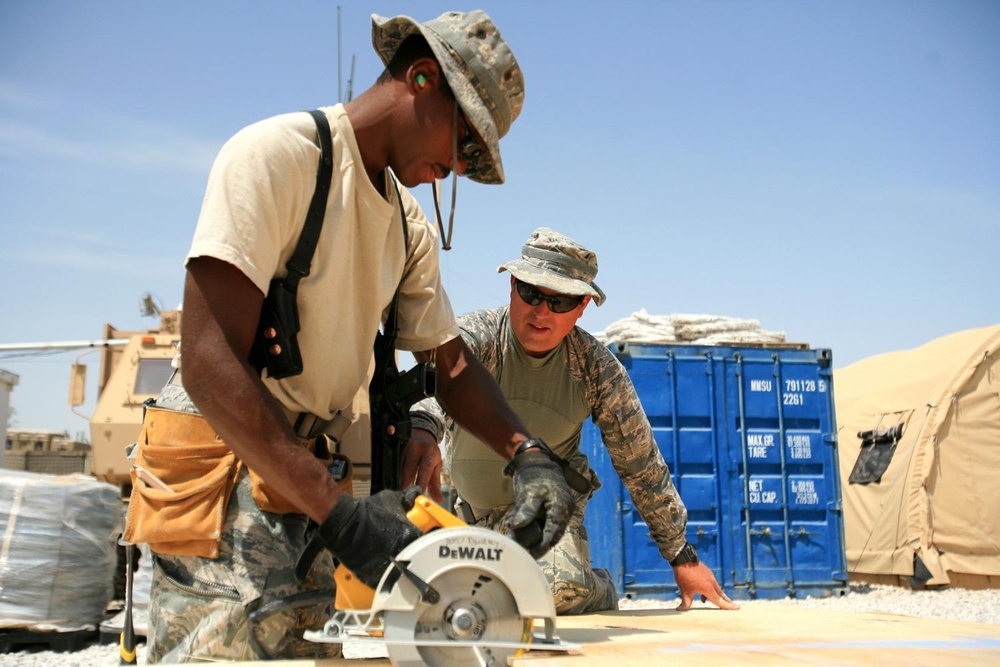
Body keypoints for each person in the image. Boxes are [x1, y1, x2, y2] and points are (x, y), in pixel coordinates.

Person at [126, 11, 575, 663]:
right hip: (224, 462)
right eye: (464, 141)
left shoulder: (406, 224)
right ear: (422, 77)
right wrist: (341, 512)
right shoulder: (277, 157)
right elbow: (207, 359)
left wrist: (529, 451)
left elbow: (448, 364)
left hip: (303, 476)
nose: (455, 166)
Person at [405, 227, 742, 615]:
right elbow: (440, 379)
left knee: (549, 592)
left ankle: (594, 587)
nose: (541, 311)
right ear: (512, 285)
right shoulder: (476, 336)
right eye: (531, 293)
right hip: (469, 520)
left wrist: (682, 556)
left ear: (582, 307)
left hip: (546, 522)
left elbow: (641, 464)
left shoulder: (596, 369)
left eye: (561, 301)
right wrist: (425, 426)